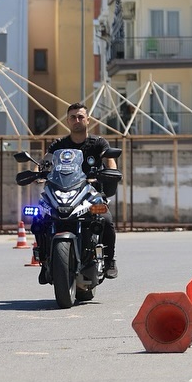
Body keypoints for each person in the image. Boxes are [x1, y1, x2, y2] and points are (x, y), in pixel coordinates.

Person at [40, 103, 120, 280]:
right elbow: (46, 162)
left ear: (88, 120)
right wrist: (39, 172)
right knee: (41, 219)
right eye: (73, 117)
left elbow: (109, 159)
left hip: (91, 194)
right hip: (64, 192)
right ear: (67, 121)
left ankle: (109, 261)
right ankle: (45, 261)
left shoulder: (98, 143)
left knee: (106, 219)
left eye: (80, 117)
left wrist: (111, 172)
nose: (77, 120)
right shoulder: (59, 145)